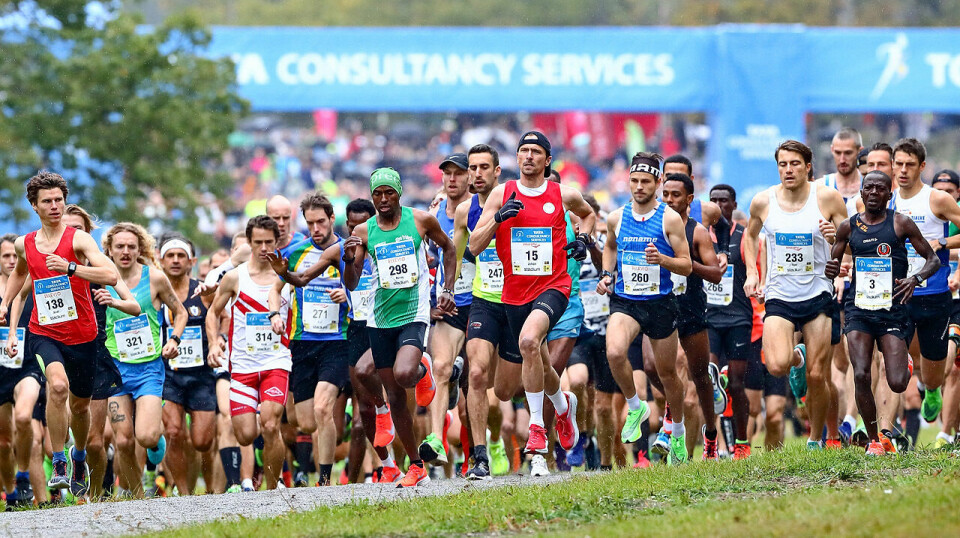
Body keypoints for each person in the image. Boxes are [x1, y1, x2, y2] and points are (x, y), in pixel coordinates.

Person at [469, 131, 595, 471]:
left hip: (554, 285)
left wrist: (583, 239)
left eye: (535, 151)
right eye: (523, 150)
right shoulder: (501, 193)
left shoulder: (562, 194)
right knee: (529, 367)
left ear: (547, 159)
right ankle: (564, 406)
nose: (528, 156)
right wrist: (497, 219)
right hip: (513, 292)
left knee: (528, 340)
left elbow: (588, 214)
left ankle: (537, 428)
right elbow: (475, 247)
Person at [0, 171, 120, 497]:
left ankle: (79, 456)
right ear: (34, 207)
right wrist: (6, 301)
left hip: (83, 334)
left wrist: (70, 268)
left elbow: (109, 273)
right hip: (44, 331)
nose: (54, 206)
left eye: (59, 200)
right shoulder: (25, 244)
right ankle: (61, 461)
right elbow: (19, 274)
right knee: (57, 386)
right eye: (47, 202)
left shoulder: (78, 240)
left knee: (81, 408)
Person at [341, 168, 457, 488]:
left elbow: (448, 248)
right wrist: (350, 260)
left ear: (399, 193)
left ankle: (424, 368)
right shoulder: (365, 231)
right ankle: (415, 465)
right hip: (379, 318)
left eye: (388, 193)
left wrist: (446, 289)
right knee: (394, 395)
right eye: (377, 193)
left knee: (405, 375)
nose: (382, 199)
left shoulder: (420, 220)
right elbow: (351, 282)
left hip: (414, 313)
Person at [742, 140, 848, 450]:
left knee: (819, 376)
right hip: (780, 295)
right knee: (776, 365)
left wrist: (835, 239)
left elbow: (850, 242)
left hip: (818, 295)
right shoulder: (763, 201)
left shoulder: (826, 198)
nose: (788, 170)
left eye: (795, 164)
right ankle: (795, 357)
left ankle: (816, 439)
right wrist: (752, 272)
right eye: (783, 164)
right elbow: (750, 236)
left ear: (807, 166)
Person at [826, 170, 939, 455]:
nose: (874, 192)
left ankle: (905, 365)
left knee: (898, 383)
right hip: (859, 309)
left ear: (890, 195)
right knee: (861, 373)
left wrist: (915, 279)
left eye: (880, 188)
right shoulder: (847, 228)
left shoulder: (901, 223)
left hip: (892, 311)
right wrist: (832, 271)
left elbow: (933, 259)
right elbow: (833, 265)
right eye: (869, 188)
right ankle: (875, 439)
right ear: (861, 194)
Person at [595, 152, 692, 463]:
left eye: (646, 182)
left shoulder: (669, 219)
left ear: (658, 182)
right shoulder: (616, 217)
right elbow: (610, 245)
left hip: (661, 302)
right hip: (626, 301)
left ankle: (677, 432)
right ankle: (636, 406)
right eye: (634, 181)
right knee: (614, 352)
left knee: (667, 375)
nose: (639, 187)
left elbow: (687, 265)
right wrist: (607, 274)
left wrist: (662, 260)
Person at [206, 215, 292, 490]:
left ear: (277, 241)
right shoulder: (235, 277)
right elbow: (212, 313)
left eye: (269, 242)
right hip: (242, 366)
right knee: (245, 434)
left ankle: (271, 486)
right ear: (249, 242)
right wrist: (213, 342)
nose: (264, 248)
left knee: (270, 424)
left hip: (276, 361)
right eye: (258, 242)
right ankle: (258, 476)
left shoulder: (286, 276)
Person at [101, 223, 187, 497]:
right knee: (123, 440)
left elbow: (181, 312)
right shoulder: (101, 279)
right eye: (120, 247)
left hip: (149, 368)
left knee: (147, 436)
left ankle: (154, 450)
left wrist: (174, 339)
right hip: (115, 369)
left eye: (131, 247)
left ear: (140, 250)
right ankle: (137, 495)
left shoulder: (155, 279)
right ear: (109, 251)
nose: (125, 252)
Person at [271, 193, 350, 486]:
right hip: (303, 343)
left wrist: (348, 297)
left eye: (321, 222)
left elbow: (365, 285)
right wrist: (274, 314)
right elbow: (275, 289)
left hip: (337, 341)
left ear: (332, 219)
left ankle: (324, 480)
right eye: (310, 223)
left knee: (322, 409)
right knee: (304, 421)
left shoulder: (347, 251)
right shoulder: (296, 251)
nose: (316, 228)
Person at [59, 205, 136, 501]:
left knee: (94, 441)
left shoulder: (100, 269)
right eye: (66, 229)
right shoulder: (47, 267)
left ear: (88, 234)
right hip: (59, 354)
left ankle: (94, 497)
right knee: (64, 433)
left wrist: (113, 301)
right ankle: (69, 480)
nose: (71, 234)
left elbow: (134, 307)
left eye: (78, 229)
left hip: (95, 357)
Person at [454, 144, 519, 480]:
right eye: (472, 168)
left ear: (497, 172)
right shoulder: (465, 212)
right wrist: (448, 291)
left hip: (518, 301)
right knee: (476, 375)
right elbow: (459, 255)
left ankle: (496, 439)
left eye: (483, 168)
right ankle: (480, 456)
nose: (476, 174)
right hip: (483, 301)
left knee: (504, 391)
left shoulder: (518, 202)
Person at [888, 138, 960, 424]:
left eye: (910, 165)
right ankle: (883, 433)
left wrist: (941, 241)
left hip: (934, 293)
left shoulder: (937, 199)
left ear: (922, 166)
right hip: (896, 294)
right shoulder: (886, 199)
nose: (903, 170)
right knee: (888, 362)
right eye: (899, 164)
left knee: (933, 372)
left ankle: (930, 390)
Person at [659, 173, 725, 460]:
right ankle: (670, 429)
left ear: (689, 199)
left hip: (691, 309)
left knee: (699, 376)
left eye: (676, 195)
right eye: (666, 194)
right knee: (662, 368)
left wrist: (686, 265)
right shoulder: (653, 225)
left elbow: (716, 274)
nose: (670, 200)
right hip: (660, 307)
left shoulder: (697, 231)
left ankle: (710, 434)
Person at [157, 236, 218, 495]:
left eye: (180, 255)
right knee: (172, 432)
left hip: (201, 375)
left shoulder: (202, 292)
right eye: (170, 256)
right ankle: (183, 493)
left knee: (202, 442)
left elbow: (221, 316)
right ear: (161, 260)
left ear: (191, 261)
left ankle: (212, 488)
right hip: (168, 374)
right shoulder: (153, 292)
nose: (175, 260)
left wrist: (217, 343)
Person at [423, 153, 472, 465]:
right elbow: (425, 261)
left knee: (482, 391)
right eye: (447, 174)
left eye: (459, 173)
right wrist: (430, 303)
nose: (452, 179)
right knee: (439, 368)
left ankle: (479, 452)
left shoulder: (484, 207)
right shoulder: (435, 212)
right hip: (449, 304)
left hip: (482, 303)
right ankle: (436, 442)